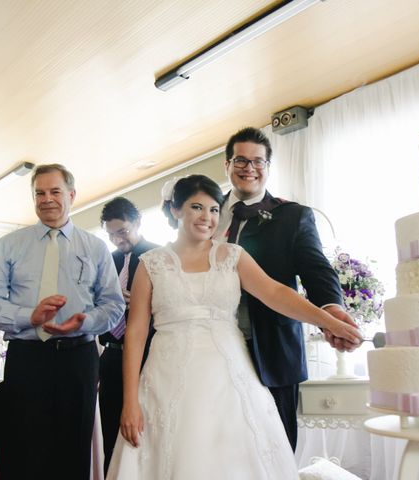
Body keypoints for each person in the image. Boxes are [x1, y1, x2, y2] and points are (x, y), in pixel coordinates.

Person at [106, 175, 361, 479]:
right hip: (166, 378)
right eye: (196, 207)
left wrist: (328, 321)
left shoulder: (232, 256)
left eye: (214, 210)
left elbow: (276, 294)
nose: (207, 217)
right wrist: (130, 401)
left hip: (230, 377)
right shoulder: (151, 264)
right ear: (175, 210)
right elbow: (135, 334)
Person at [0, 164, 125, 480]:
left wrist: (85, 321)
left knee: (74, 451)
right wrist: (28, 316)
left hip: (79, 359)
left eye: (55, 191)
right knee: (24, 450)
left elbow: (113, 306)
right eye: (39, 193)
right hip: (27, 358)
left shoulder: (95, 247)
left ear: (71, 195)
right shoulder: (9, 245)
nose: (47, 199)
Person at [218, 126, 359, 450]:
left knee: (275, 445)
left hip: (273, 346)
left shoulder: (292, 216)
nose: (249, 168)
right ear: (227, 165)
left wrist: (331, 310)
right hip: (216, 346)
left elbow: (316, 269)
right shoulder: (207, 213)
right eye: (241, 160)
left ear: (268, 167)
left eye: (258, 162)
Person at [98, 197, 159, 475]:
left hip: (147, 354)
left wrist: (142, 303)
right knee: (111, 426)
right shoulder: (106, 261)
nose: (117, 240)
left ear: (137, 223)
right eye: (111, 234)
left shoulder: (158, 257)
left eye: (122, 231)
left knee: (145, 426)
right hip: (110, 354)